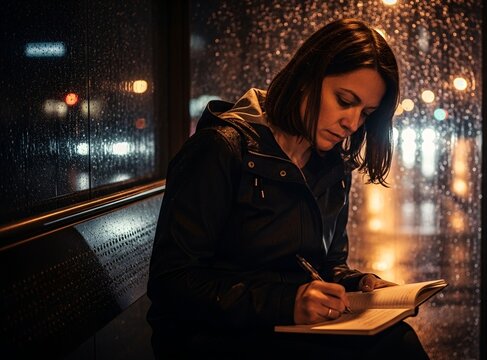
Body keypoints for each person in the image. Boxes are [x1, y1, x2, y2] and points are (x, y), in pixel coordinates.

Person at [146, 18, 429, 359]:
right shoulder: (221, 149)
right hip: (214, 337)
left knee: (397, 340)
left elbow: (324, 267)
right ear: (307, 77)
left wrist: (360, 286)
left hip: (282, 330)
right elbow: (172, 282)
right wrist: (287, 304)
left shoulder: (331, 167)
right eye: (344, 100)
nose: (352, 123)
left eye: (366, 113)